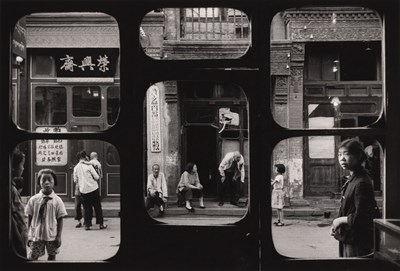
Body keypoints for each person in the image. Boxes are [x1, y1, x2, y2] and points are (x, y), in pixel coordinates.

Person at [330, 138, 376, 257]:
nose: (342, 158)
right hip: (349, 236)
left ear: (359, 155)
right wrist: (337, 225)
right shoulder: (353, 178)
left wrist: (338, 221)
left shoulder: (361, 182)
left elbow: (362, 217)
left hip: (357, 240)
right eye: (339, 154)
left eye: (347, 154)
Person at [25, 169, 67, 260]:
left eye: (50, 180)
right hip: (36, 234)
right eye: (43, 180)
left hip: (52, 234)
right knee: (33, 256)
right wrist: (29, 235)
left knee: (52, 256)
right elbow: (30, 217)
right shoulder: (34, 200)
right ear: (39, 182)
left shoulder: (57, 200)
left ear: (54, 182)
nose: (47, 183)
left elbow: (60, 219)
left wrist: (59, 236)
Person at [73, 150, 107, 230]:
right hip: (93, 189)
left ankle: (87, 225)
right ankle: (101, 224)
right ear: (85, 157)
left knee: (86, 207)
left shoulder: (76, 168)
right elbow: (97, 177)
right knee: (97, 206)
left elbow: (75, 180)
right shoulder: (89, 166)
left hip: (83, 190)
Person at [11, 149, 28, 258]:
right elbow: (15, 216)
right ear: (13, 167)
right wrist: (22, 236)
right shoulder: (11, 189)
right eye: (22, 164)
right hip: (16, 233)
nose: (23, 168)